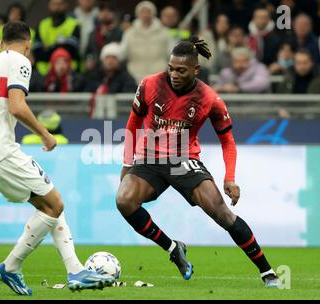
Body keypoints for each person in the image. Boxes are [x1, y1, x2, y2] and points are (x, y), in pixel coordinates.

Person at [0, 21, 114, 295]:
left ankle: (75, 270)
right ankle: (11, 266)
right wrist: (45, 134)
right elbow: (17, 107)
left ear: (0, 42)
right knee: (55, 203)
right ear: (28, 44)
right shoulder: (19, 60)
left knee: (50, 203)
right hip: (0, 152)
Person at [116, 36, 280, 288]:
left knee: (222, 214)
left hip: (184, 160)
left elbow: (228, 141)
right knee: (124, 200)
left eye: (181, 70)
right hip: (149, 159)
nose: (174, 74)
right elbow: (132, 124)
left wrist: (230, 177)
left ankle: (267, 272)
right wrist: (127, 166)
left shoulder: (209, 98)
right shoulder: (149, 85)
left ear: (196, 69)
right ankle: (173, 249)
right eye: (171, 68)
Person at [120, 1, 171, 82]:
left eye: (148, 11)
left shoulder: (164, 32)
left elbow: (170, 53)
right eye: (142, 12)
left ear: (153, 13)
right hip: (135, 75)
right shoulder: (129, 33)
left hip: (159, 75)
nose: (145, 14)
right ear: (138, 14)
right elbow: (123, 52)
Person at [34, 0, 81, 76]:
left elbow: (70, 49)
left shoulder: (74, 25)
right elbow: (37, 52)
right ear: (49, 5)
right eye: (54, 4)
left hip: (68, 73)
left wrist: (47, 48)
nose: (57, 7)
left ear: (66, 5)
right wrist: (59, 46)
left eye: (60, 4)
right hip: (43, 73)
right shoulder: (42, 24)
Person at [84, 3, 123, 73]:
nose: (105, 13)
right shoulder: (92, 34)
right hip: (95, 72)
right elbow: (88, 51)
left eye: (109, 11)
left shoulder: (119, 33)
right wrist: (89, 60)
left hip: (113, 72)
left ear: (114, 14)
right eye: (102, 11)